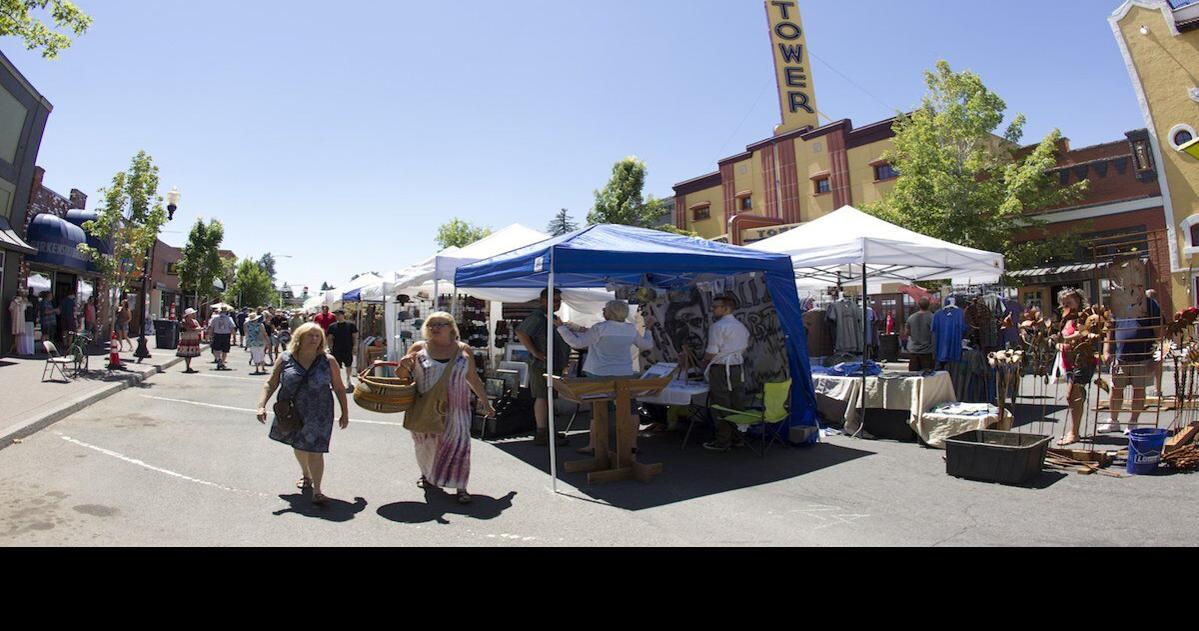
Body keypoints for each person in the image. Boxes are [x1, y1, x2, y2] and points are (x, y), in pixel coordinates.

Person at [395, 312, 494, 504]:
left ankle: (461, 487)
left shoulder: (463, 349)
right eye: (431, 325)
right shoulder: (418, 348)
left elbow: (472, 378)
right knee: (425, 445)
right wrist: (403, 365)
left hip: (457, 408)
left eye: (440, 324)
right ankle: (427, 474)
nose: (435, 328)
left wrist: (485, 402)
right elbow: (401, 376)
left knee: (459, 446)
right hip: (424, 406)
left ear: (451, 327)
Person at [257, 323, 350, 506]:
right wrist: (262, 405)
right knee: (299, 446)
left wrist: (345, 413)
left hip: (320, 412)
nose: (314, 339)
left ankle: (317, 491)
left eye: (318, 336)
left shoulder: (328, 361)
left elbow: (339, 388)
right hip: (293, 412)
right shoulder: (285, 359)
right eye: (310, 335)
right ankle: (305, 475)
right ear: (299, 338)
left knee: (316, 450)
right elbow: (271, 383)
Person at [555, 300, 655, 455]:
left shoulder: (600, 328)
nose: (603, 312)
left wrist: (561, 327)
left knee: (598, 411)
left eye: (604, 309)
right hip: (623, 374)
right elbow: (647, 345)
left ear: (610, 313)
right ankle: (632, 445)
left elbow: (577, 342)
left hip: (599, 375)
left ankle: (595, 445)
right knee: (631, 410)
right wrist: (648, 330)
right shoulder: (630, 329)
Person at [515, 288, 570, 447]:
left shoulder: (550, 316)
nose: (557, 303)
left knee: (548, 397)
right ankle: (542, 433)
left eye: (559, 301)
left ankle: (547, 431)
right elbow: (521, 333)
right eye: (554, 300)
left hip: (552, 364)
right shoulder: (538, 316)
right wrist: (536, 352)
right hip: (541, 365)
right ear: (543, 301)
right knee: (542, 397)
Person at [1102, 292, 1162, 434]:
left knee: (1139, 392)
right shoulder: (1118, 303)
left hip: (1143, 357)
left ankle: (1133, 422)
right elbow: (1109, 329)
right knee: (1116, 390)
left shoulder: (1150, 305)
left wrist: (1157, 358)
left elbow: (1161, 333)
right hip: (1120, 357)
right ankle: (1113, 421)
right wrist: (1106, 350)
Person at [702, 295, 752, 452]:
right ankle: (738, 437)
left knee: (720, 404)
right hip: (736, 367)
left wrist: (702, 362)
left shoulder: (718, 326)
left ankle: (723, 441)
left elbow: (712, 351)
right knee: (737, 402)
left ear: (726, 308)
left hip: (722, 368)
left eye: (715, 306)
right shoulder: (741, 326)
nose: (713, 309)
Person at [1054, 289, 1100, 446]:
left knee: (1073, 395)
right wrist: (1060, 343)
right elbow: (1062, 337)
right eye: (1063, 302)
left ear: (1078, 301)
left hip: (1083, 359)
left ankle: (1074, 433)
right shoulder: (1066, 318)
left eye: (1069, 301)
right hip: (1069, 361)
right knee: (1073, 396)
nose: (1066, 305)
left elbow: (1085, 333)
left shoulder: (1085, 316)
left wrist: (1066, 338)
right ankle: (1074, 431)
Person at [326, 310, 358, 391]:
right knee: (336, 366)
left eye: (339, 314)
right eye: (336, 315)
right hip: (336, 349)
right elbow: (329, 338)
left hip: (347, 348)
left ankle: (348, 379)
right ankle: (337, 381)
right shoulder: (332, 326)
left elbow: (354, 336)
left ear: (343, 315)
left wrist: (355, 346)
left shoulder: (350, 325)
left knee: (348, 365)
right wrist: (329, 348)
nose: (337, 316)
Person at [905, 297, 935, 372]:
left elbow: (907, 333)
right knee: (927, 376)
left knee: (913, 375)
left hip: (913, 350)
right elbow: (935, 333)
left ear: (918, 305)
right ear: (929, 305)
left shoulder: (911, 318)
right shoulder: (932, 317)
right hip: (927, 351)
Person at [177, 308, 203, 373]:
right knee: (187, 354)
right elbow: (188, 328)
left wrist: (196, 329)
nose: (194, 314)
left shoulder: (195, 321)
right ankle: (187, 366)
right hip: (186, 338)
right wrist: (195, 329)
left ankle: (188, 366)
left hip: (194, 338)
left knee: (190, 354)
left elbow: (199, 328)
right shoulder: (184, 321)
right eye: (192, 313)